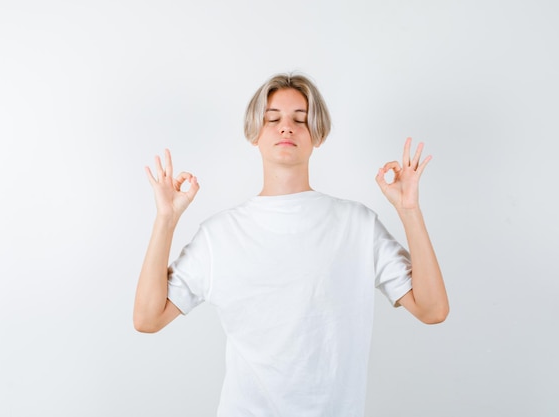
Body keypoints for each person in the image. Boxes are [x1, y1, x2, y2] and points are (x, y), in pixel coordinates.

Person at [133, 73, 449, 417]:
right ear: (255, 133)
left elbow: (432, 310)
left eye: (300, 119)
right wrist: (165, 219)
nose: (286, 128)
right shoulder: (219, 235)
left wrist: (409, 211)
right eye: (273, 119)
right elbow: (148, 318)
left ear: (319, 135)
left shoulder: (357, 225)